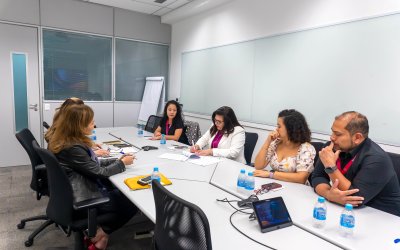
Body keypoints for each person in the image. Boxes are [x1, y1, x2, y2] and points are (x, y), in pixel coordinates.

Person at [48, 104, 138, 249]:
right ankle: (100, 234)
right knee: (132, 202)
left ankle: (95, 230)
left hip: (74, 191)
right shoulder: (73, 147)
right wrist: (121, 164)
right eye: (91, 122)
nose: (94, 124)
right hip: (84, 196)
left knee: (120, 193)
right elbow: (99, 172)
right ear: (79, 126)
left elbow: (90, 164)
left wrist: (118, 160)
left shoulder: (68, 140)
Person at [311, 111, 400, 216]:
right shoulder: (333, 147)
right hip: (349, 211)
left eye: (338, 134)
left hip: (385, 218)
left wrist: (330, 167)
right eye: (332, 132)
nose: (332, 137)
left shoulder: (377, 159)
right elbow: (317, 177)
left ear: (357, 138)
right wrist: (328, 194)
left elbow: (355, 198)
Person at [253, 109, 316, 184]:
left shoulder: (306, 148)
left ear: (291, 129)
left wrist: (271, 174)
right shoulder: (276, 143)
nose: (276, 129)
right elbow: (258, 166)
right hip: (275, 184)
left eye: (279, 126)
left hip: (296, 189)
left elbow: (301, 178)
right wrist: (268, 141)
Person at [45, 97, 109, 157]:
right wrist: (92, 153)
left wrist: (87, 146)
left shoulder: (61, 118)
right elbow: (70, 149)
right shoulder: (65, 125)